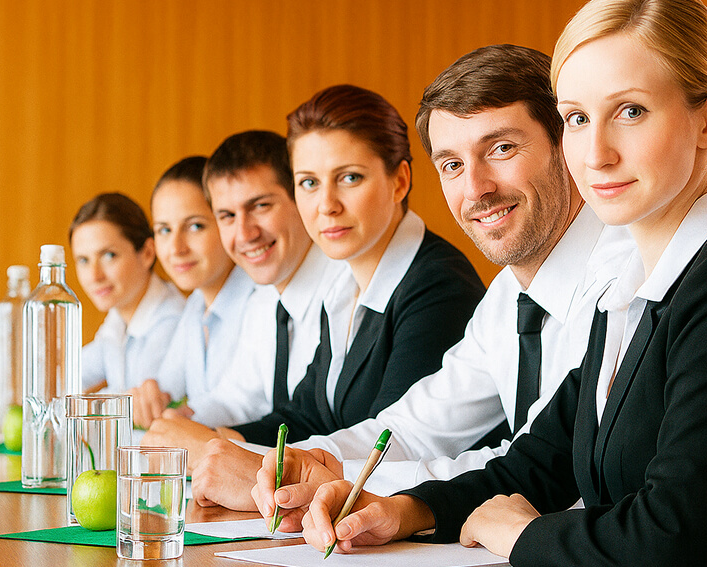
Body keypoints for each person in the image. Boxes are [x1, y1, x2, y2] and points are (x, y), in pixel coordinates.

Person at [298, 1, 707, 567]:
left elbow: (673, 539)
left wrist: (524, 535)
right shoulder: (627, 284)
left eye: (631, 112)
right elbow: (538, 464)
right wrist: (404, 511)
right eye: (578, 119)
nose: (596, 155)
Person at [247, 45, 634, 523]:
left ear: (566, 145)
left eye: (501, 149)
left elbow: (532, 470)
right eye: (453, 165)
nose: (476, 188)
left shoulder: (626, 282)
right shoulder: (508, 295)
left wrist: (361, 487)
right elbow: (416, 428)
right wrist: (315, 462)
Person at [187, 84, 486, 508]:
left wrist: (250, 465)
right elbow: (308, 413)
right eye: (308, 183)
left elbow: (396, 444)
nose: (326, 205)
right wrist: (223, 443)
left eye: (349, 178)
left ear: (400, 181)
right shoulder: (344, 286)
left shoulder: (438, 286)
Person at [140, 130, 348, 439]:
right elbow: (239, 398)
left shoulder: (347, 286)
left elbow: (321, 422)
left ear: (301, 197)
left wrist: (217, 440)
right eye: (226, 215)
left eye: (261, 206)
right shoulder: (265, 297)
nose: (245, 234)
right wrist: (185, 421)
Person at [131, 156, 256, 428]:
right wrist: (149, 395)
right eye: (164, 230)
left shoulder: (261, 300)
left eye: (195, 226)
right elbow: (166, 387)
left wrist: (180, 416)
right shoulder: (196, 305)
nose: (176, 248)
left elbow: (244, 406)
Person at [69, 192, 185, 394]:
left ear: (148, 253)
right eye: (83, 260)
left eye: (108, 255)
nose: (94, 276)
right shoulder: (118, 318)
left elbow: (132, 405)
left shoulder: (172, 320)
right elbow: (68, 375)